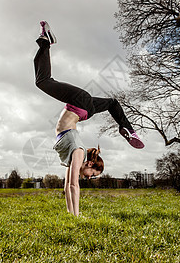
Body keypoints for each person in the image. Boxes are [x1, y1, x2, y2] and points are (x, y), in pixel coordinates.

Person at [34, 21, 144, 216]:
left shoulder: (76, 152)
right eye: (93, 175)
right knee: (43, 81)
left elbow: (68, 186)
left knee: (111, 103)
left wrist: (72, 217)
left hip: (84, 109)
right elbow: (74, 186)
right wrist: (77, 218)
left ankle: (127, 128)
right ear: (91, 165)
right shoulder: (78, 151)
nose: (90, 178)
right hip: (81, 103)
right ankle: (46, 42)